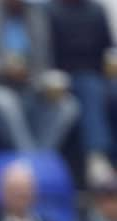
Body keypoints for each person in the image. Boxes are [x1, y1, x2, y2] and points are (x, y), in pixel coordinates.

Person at [0, 0, 78, 153]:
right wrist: (1, 68)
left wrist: (44, 83)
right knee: (6, 102)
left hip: (28, 87)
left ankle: (40, 156)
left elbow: (43, 64)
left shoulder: (37, 16)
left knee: (66, 105)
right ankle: (28, 158)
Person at [48, 0, 117, 186]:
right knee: (90, 88)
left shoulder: (97, 10)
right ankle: (96, 156)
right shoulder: (49, 11)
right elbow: (47, 53)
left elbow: (108, 48)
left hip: (99, 75)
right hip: (66, 77)